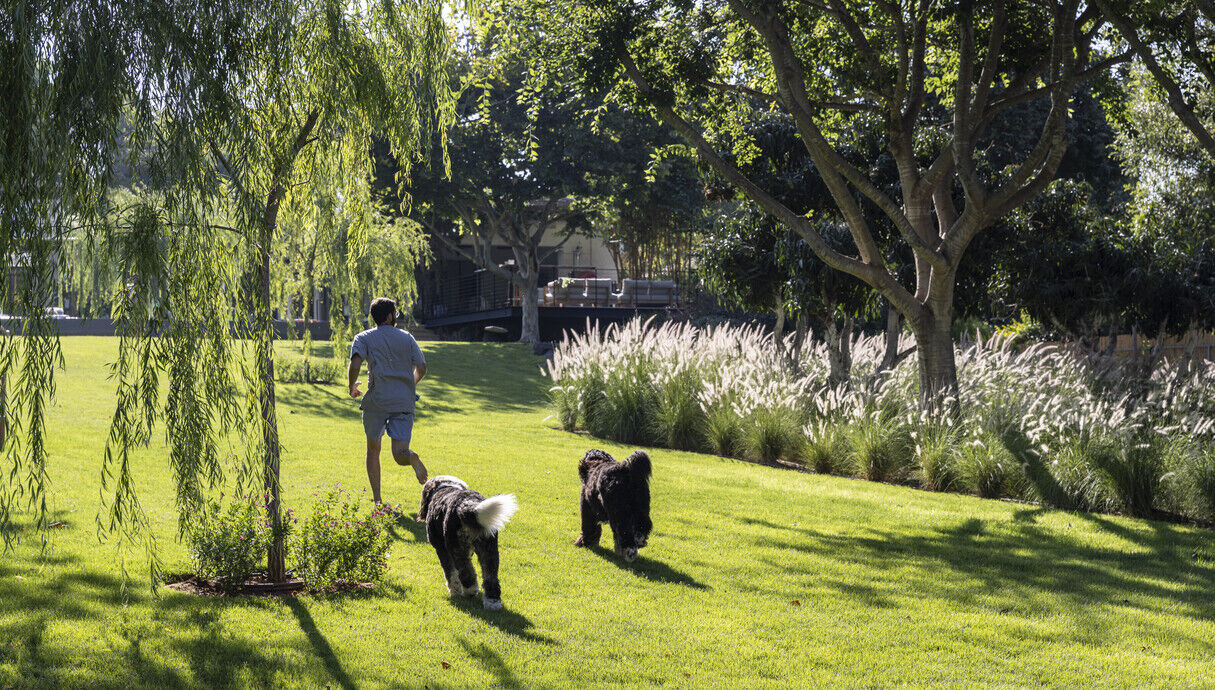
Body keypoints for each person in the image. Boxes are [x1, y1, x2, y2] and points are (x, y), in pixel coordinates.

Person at [348, 297, 428, 504]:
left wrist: (352, 385)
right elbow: (422, 368)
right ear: (391, 316)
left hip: (377, 400)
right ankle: (411, 458)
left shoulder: (363, 337)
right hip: (403, 401)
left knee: (373, 450)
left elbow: (355, 363)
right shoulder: (407, 338)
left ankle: (377, 500)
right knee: (399, 452)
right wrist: (409, 385)